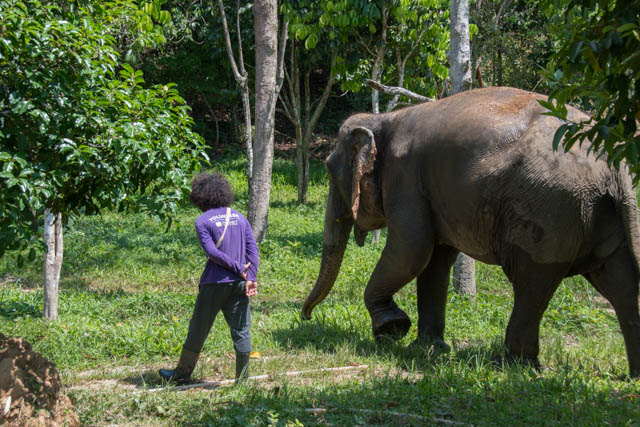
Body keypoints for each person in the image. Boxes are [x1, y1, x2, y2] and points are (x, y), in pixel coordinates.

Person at [159, 172, 259, 384]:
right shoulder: (240, 217)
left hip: (214, 283)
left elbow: (212, 252)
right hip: (239, 284)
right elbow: (253, 249)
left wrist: (237, 266)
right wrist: (251, 276)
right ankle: (243, 381)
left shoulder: (202, 221)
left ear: (200, 197)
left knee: (198, 328)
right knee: (242, 330)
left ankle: (182, 374)